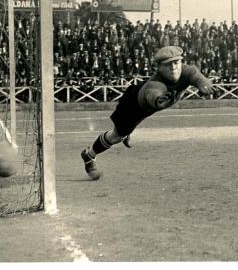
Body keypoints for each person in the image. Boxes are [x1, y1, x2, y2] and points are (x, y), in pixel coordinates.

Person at [80, 45, 217, 180]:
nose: (174, 67)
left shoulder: (187, 70)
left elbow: (197, 76)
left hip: (145, 104)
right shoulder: (156, 83)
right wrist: (157, 99)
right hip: (132, 106)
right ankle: (89, 155)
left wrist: (204, 84)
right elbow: (152, 92)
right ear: (159, 67)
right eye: (168, 64)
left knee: (122, 134)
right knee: (117, 136)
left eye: (176, 62)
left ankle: (124, 134)